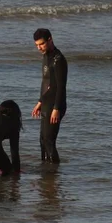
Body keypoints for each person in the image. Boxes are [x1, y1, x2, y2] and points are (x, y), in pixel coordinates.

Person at [32, 28, 68, 163]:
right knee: (42, 141)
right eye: (36, 45)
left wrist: (56, 109)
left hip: (55, 105)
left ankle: (53, 173)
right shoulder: (46, 56)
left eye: (41, 44)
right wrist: (40, 102)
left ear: (50, 39)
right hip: (47, 103)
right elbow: (47, 82)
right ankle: (45, 172)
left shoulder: (59, 60)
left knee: (49, 141)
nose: (39, 48)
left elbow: (60, 87)